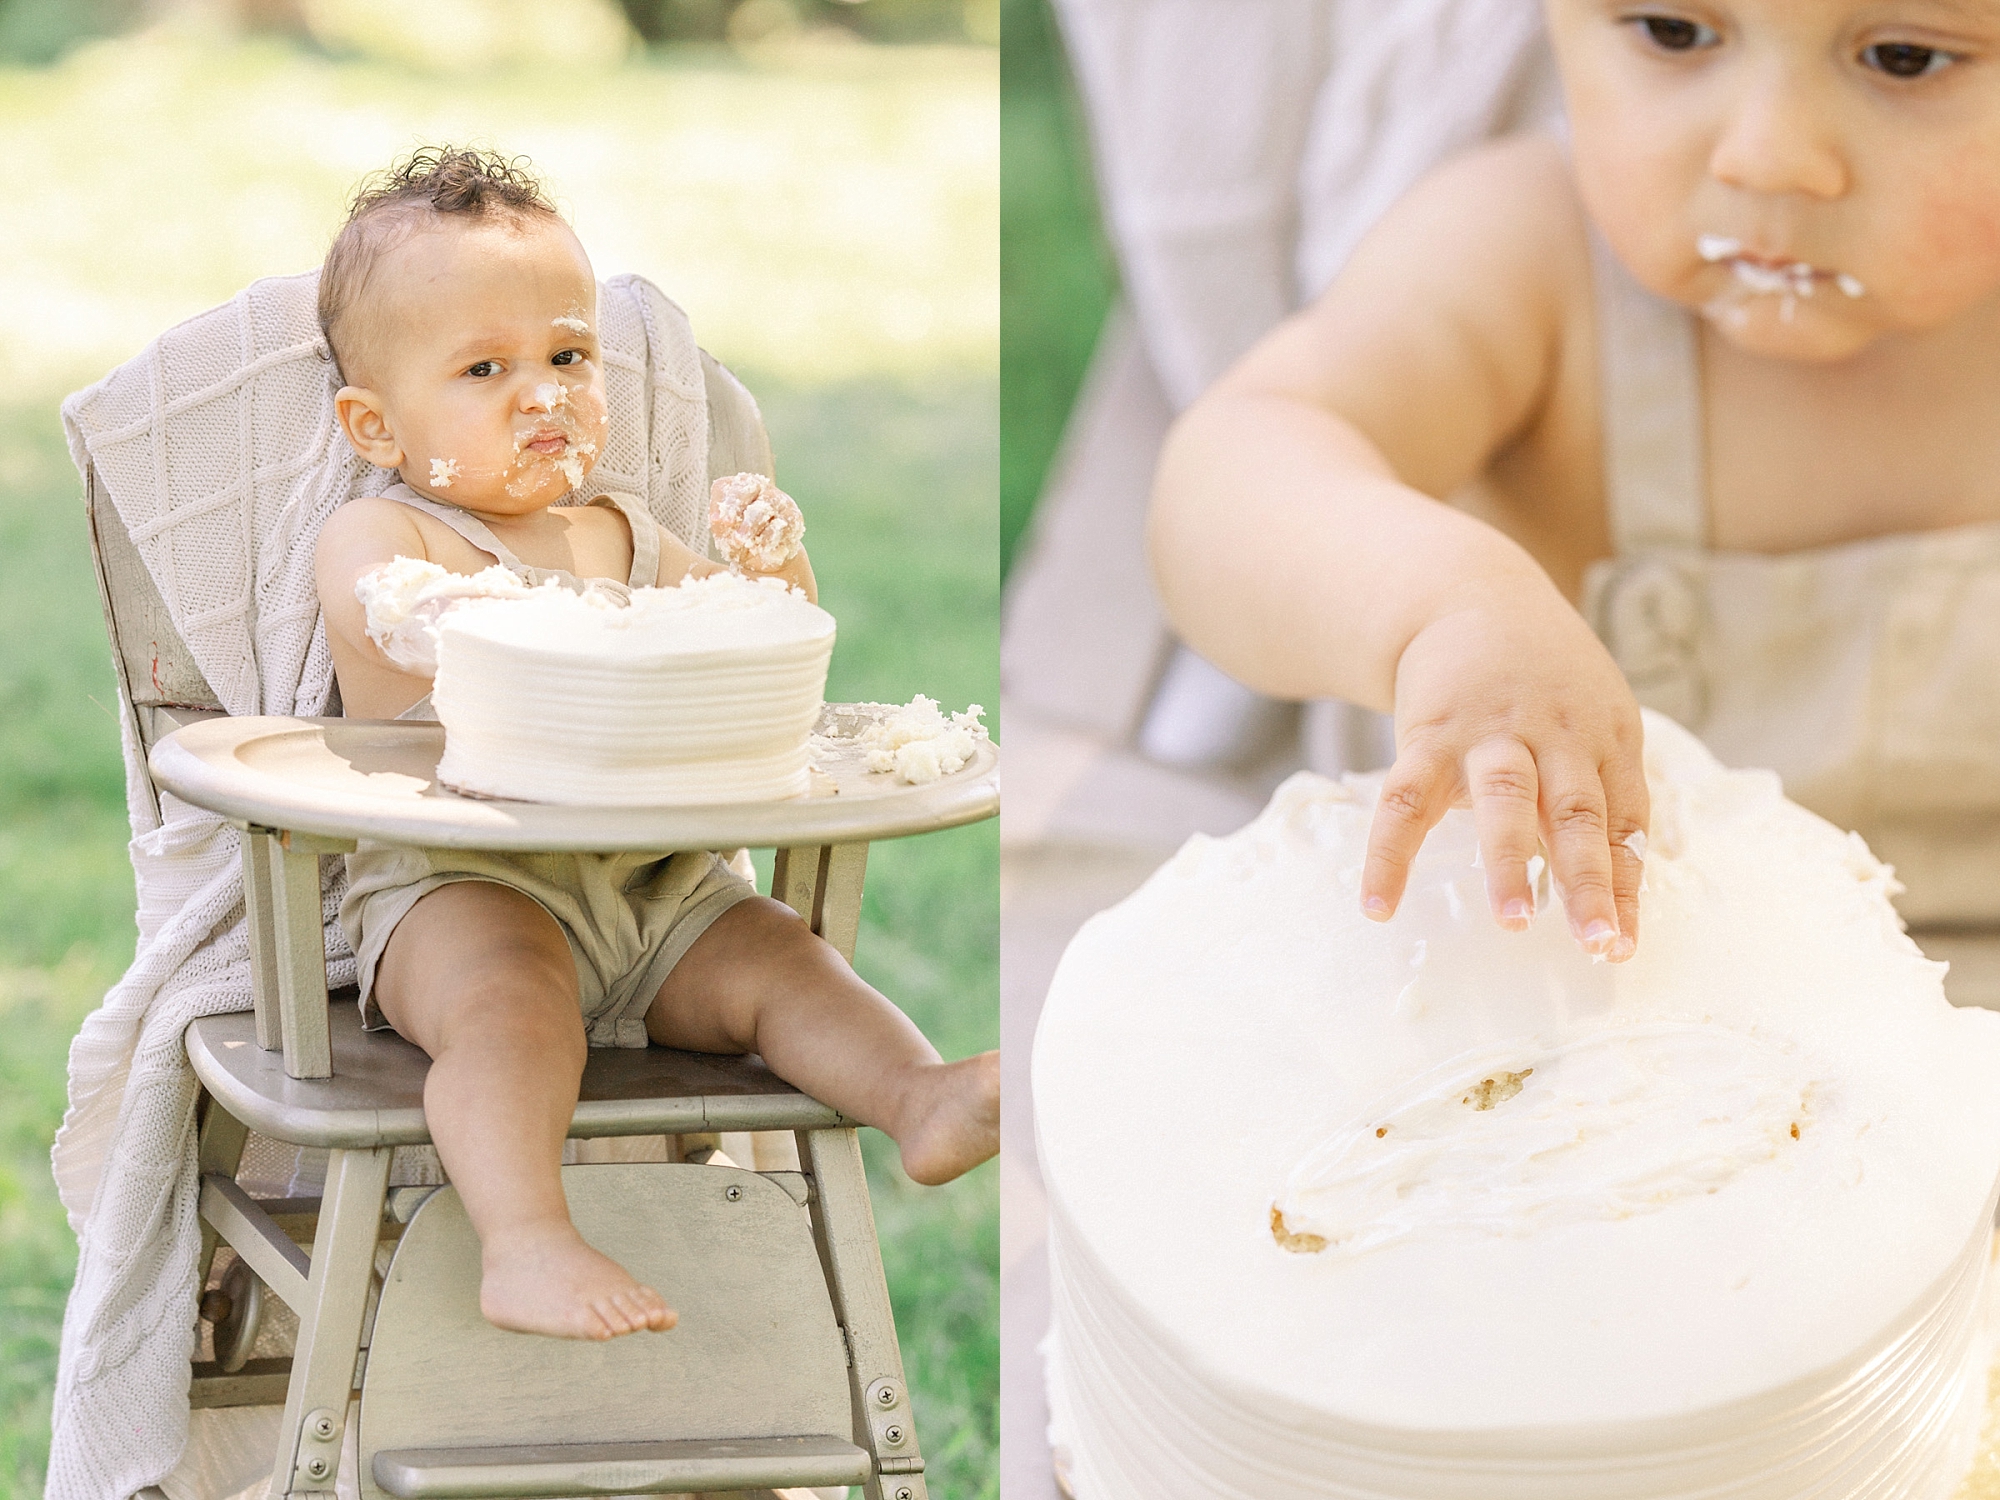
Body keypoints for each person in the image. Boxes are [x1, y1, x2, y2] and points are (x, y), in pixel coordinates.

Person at [312, 147, 999, 1343]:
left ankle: (921, 1094)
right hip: (460, 886)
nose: (543, 394)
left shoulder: (621, 535)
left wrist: (768, 575)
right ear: (376, 422)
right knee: (510, 1012)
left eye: (568, 358)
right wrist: (470, 615)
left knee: (783, 959)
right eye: (485, 369)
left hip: (653, 881)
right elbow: (401, 622)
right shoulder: (387, 534)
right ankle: (523, 1241)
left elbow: (761, 648)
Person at [1150, 0, 2000, 964]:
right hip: (1550, 1004)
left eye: (1904, 56)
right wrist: (1441, 605)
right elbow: (1240, 458)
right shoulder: (1525, 252)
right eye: (1674, 33)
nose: (1766, 157)